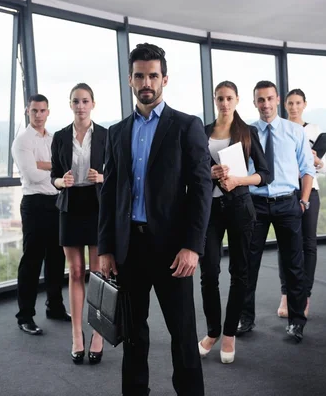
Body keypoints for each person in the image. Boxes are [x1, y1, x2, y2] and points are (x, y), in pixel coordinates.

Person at [98, 43, 212, 396]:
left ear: (164, 79)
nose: (145, 82)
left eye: (152, 75)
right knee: (132, 336)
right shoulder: (117, 132)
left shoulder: (186, 126)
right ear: (130, 80)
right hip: (129, 248)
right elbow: (110, 193)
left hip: (173, 251)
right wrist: (105, 247)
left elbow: (202, 188)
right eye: (139, 76)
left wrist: (193, 246)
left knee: (182, 336)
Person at [236, 80, 316, 343]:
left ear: (278, 100)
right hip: (255, 204)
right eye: (260, 100)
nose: (266, 104)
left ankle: (296, 321)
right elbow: (240, 169)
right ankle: (245, 318)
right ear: (255, 102)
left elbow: (307, 169)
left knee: (294, 265)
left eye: (270, 99)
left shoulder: (295, 131)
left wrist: (303, 201)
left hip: (287, 203)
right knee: (248, 264)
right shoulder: (247, 132)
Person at [197, 81, 270, 364]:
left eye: (229, 98)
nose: (224, 103)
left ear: (237, 100)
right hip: (211, 210)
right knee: (209, 273)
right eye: (219, 98)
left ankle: (229, 334)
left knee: (240, 273)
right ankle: (213, 330)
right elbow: (192, 171)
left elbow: (265, 174)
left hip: (240, 207)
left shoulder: (248, 132)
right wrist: (209, 171)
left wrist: (239, 179)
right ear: (214, 100)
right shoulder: (202, 132)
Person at [50, 83, 107, 365]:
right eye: (76, 101)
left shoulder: (107, 136)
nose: (80, 106)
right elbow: (54, 176)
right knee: (74, 271)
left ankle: (97, 334)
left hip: (97, 207)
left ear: (93, 104)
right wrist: (62, 181)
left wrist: (103, 178)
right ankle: (76, 335)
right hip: (70, 207)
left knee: (97, 273)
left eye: (85, 101)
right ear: (70, 104)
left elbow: (119, 173)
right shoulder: (60, 136)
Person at [12, 94, 70, 336]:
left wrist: (43, 164)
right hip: (34, 204)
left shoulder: (54, 138)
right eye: (34, 110)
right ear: (28, 111)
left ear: (48, 112)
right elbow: (34, 175)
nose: (38, 115)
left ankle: (54, 306)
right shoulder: (22, 141)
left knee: (57, 258)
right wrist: (50, 167)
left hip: (55, 202)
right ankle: (25, 316)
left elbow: (63, 167)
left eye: (42, 110)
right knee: (32, 260)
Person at [276, 88, 326, 319]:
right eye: (290, 103)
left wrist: (316, 159)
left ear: (304, 104)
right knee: (285, 244)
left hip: (310, 191)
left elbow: (323, 166)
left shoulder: (314, 129)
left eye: (298, 103)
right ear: (284, 105)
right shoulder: (280, 128)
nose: (294, 107)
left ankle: (304, 296)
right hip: (286, 192)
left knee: (308, 244)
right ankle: (286, 294)